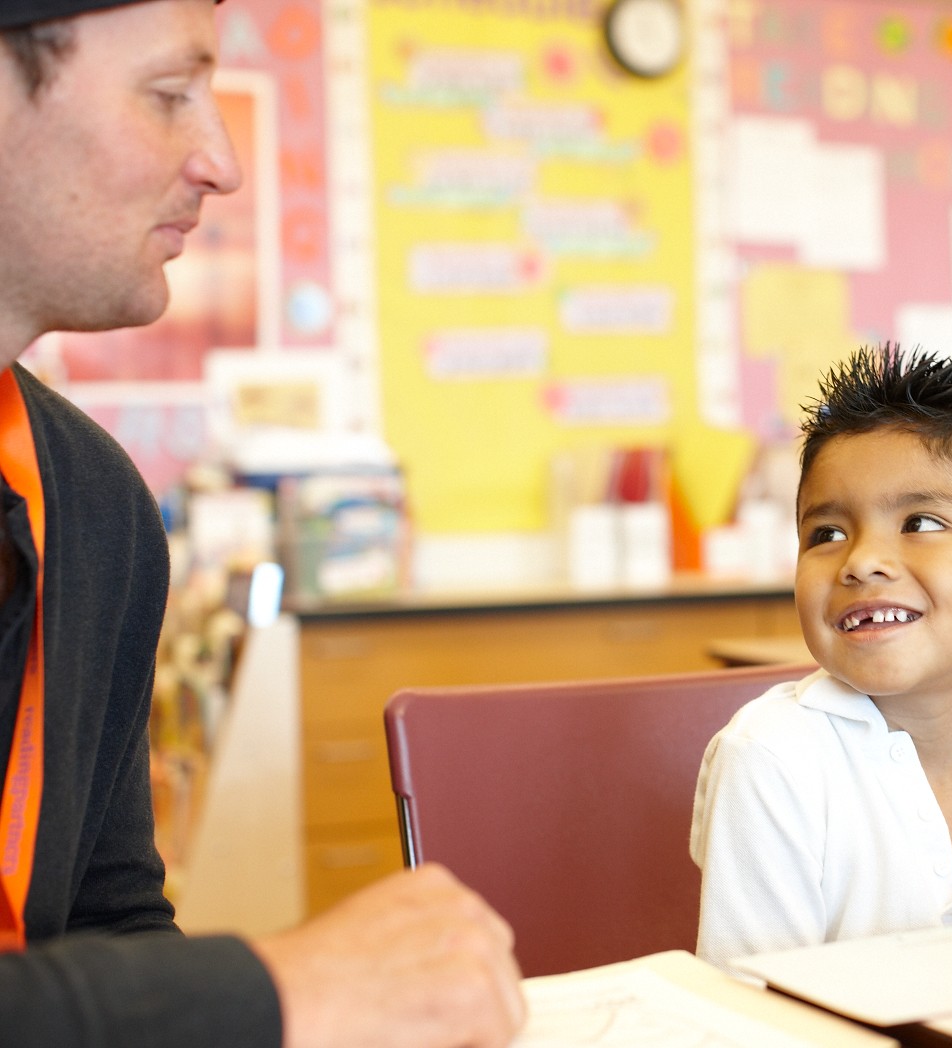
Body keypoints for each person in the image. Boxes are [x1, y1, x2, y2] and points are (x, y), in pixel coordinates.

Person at [0, 2, 526, 1045]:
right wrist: (287, 989)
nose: (222, 161)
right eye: (168, 94)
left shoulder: (94, 503)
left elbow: (112, 924)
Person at [689, 345, 952, 973]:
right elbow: (753, 1021)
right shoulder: (773, 759)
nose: (861, 560)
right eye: (826, 534)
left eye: (919, 522)